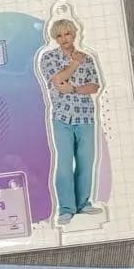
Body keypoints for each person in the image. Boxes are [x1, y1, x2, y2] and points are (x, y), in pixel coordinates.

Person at [38, 17, 101, 226]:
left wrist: (73, 88)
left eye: (67, 33)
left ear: (74, 34)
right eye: (59, 35)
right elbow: (58, 81)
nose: (64, 38)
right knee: (64, 163)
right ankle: (66, 209)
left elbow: (94, 86)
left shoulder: (88, 59)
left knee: (86, 161)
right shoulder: (48, 58)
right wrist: (74, 63)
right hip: (61, 118)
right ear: (55, 38)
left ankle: (83, 203)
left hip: (85, 116)